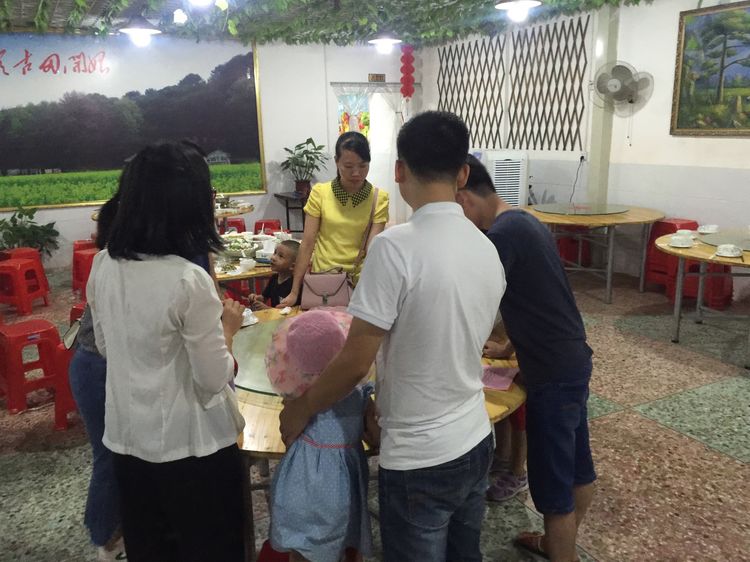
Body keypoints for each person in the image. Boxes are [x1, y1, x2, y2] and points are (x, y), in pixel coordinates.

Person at [279, 111, 505, 562]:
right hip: (477, 438)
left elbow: (354, 362)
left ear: (399, 171)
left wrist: (301, 408)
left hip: (419, 456)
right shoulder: (487, 247)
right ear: (463, 174)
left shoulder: (395, 247)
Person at [87, 141, 246, 562]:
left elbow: (105, 346)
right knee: (210, 548)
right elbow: (212, 379)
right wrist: (228, 331)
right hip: (192, 449)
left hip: (128, 440)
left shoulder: (103, 265)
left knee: (150, 547)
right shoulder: (187, 280)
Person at [455, 154, 595, 562]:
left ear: (464, 198)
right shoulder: (523, 220)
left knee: (553, 492)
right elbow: (534, 298)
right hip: (571, 360)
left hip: (551, 375)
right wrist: (508, 348)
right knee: (578, 468)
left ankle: (560, 549)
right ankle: (556, 544)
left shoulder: (502, 236)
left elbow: (477, 305)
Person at [266, 309, 373, 562]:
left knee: (303, 548)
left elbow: (287, 434)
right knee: (347, 540)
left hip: (301, 484)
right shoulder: (359, 394)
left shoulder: (296, 398)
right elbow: (375, 435)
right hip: (344, 485)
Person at [68, 195, 125, 562]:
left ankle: (112, 532)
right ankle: (105, 539)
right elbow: (106, 341)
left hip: (94, 364)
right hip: (97, 366)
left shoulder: (113, 260)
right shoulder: (113, 264)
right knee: (110, 455)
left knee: (116, 454)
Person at [278, 132, 389, 308]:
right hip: (323, 283)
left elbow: (373, 250)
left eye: (363, 165)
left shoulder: (379, 198)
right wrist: (294, 292)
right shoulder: (320, 193)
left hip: (359, 284)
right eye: (348, 166)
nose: (356, 173)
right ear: (336, 161)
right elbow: (307, 244)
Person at [250, 239, 301, 309]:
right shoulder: (274, 278)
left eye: (280, 256)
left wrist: (267, 309)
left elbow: (292, 312)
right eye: (275, 253)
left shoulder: (294, 285)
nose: (273, 258)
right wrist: (256, 298)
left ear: (292, 266)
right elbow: (264, 297)